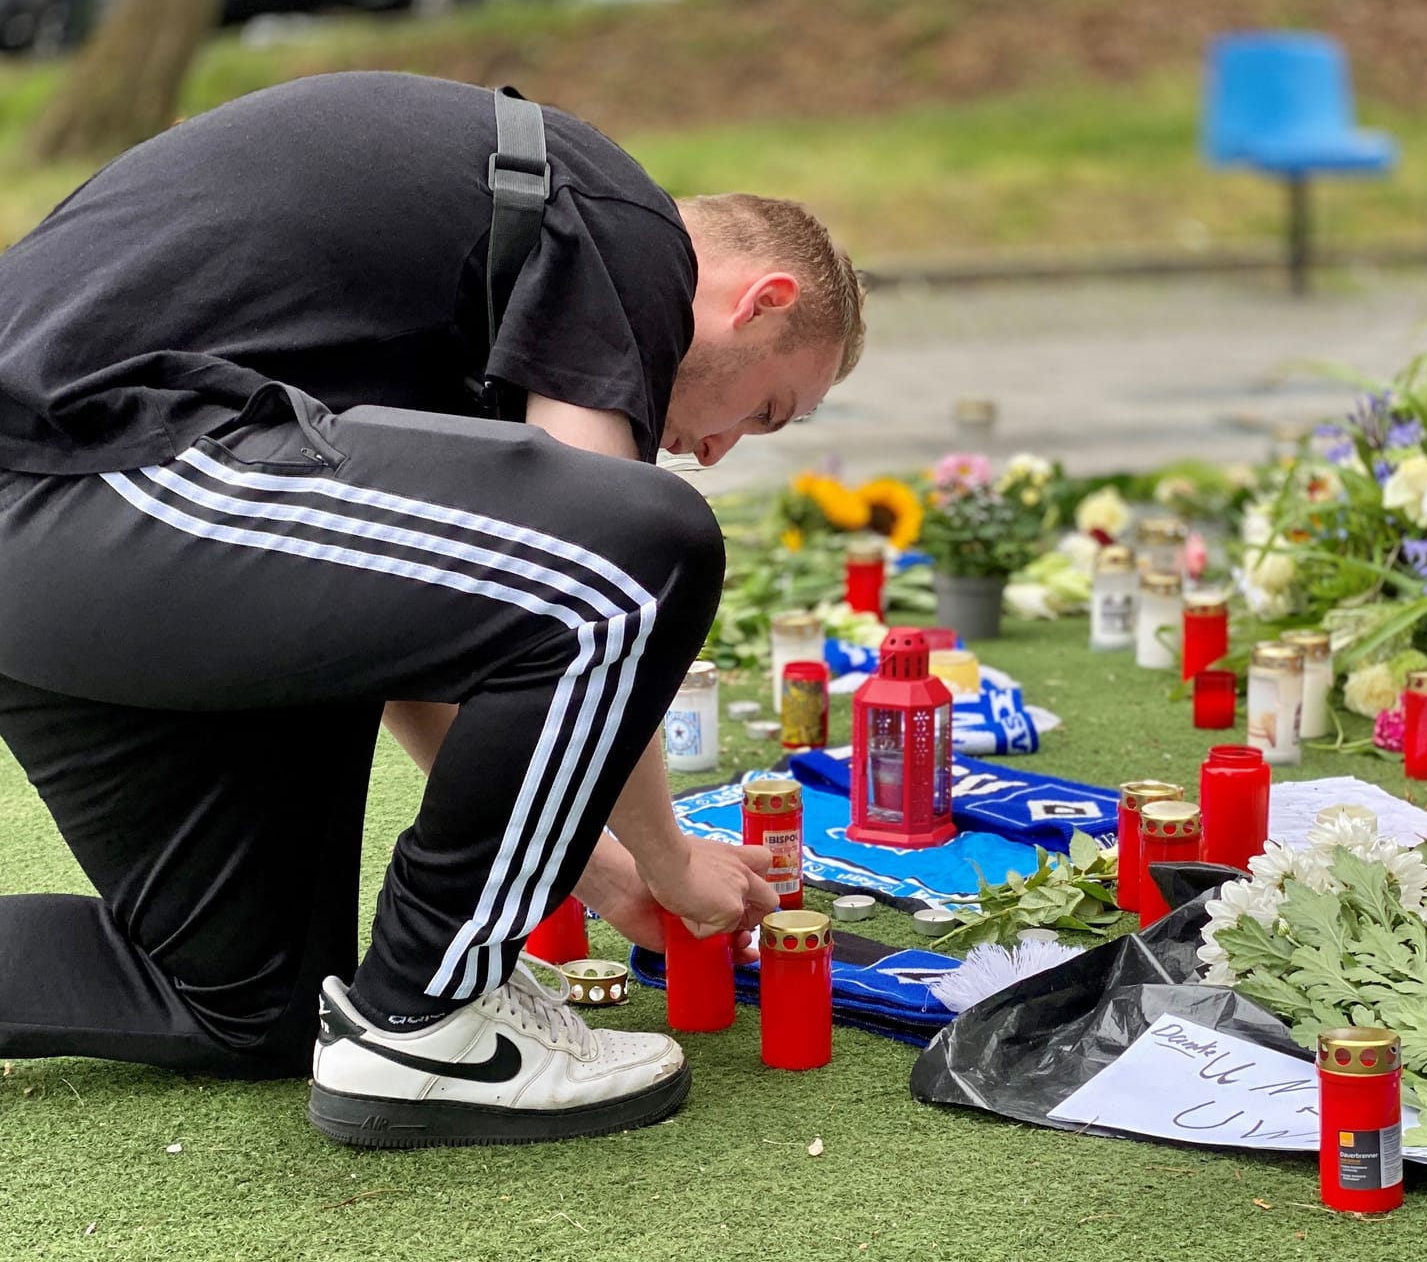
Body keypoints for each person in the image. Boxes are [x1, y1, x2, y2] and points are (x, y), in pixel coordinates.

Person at [0, 71, 866, 1147]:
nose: (721, 446)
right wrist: (670, 856)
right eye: (765, 408)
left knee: (250, 999)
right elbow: (590, 565)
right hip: (96, 475)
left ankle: (404, 1004)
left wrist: (594, 865)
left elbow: (434, 630)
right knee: (651, 536)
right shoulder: (629, 228)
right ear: (762, 299)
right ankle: (430, 1020)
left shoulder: (475, 298)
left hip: (80, 538)